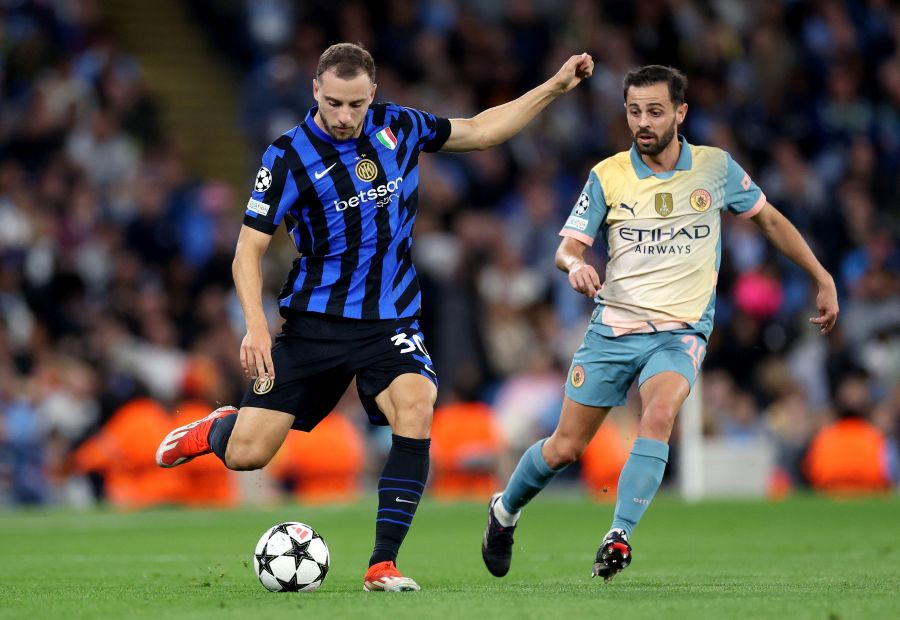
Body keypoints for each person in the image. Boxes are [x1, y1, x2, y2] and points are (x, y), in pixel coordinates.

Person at [155, 42, 594, 592]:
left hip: (390, 323)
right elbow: (247, 249)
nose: (344, 117)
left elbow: (481, 130)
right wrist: (257, 325)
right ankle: (219, 427)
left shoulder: (399, 127)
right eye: (334, 103)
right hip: (313, 325)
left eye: (356, 104)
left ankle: (381, 563)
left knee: (417, 404)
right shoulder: (286, 156)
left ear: (373, 95)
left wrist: (553, 86)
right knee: (248, 454)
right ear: (315, 91)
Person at [481, 65, 839, 582]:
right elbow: (568, 247)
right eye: (633, 111)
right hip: (613, 329)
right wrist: (577, 266)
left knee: (660, 414)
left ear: (680, 112)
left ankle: (619, 533)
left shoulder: (715, 169)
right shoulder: (608, 175)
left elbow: (770, 220)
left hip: (679, 331)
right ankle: (504, 512)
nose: (643, 122)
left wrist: (821, 275)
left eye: (654, 111)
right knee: (565, 448)